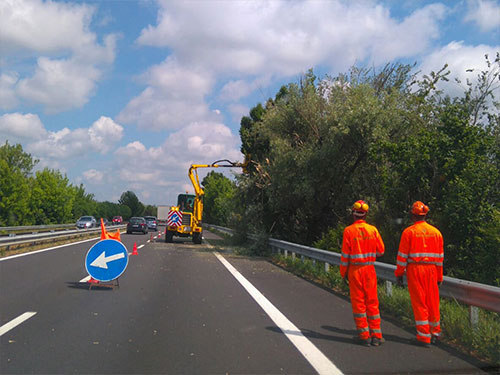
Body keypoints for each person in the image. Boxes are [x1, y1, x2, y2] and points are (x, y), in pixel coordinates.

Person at [395, 201, 444, 348]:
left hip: (415, 270)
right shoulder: (436, 233)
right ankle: (435, 333)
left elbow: (402, 256)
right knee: (433, 302)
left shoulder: (409, 232)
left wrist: (399, 273)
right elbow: (440, 259)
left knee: (420, 302)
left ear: (412, 216)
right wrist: (439, 276)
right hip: (432, 270)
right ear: (425, 215)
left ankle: (423, 336)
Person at [340, 200, 385, 347]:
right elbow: (381, 251)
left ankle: (364, 335)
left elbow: (345, 256)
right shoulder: (373, 230)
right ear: (366, 215)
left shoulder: (349, 231)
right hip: (369, 269)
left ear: (353, 214)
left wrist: (343, 273)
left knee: (359, 304)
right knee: (372, 302)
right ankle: (377, 335)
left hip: (355, 270)